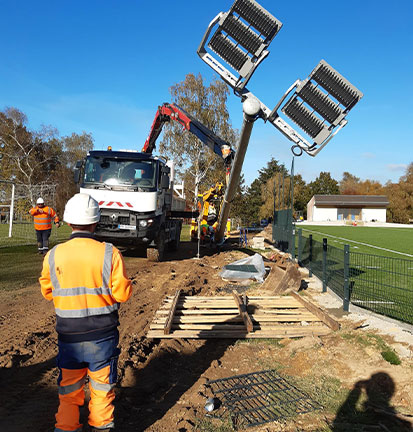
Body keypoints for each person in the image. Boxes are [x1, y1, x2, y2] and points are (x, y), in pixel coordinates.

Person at [39, 193, 132, 432]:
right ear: (96, 222)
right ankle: (101, 427)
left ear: (69, 222)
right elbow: (122, 294)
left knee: (69, 391)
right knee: (101, 389)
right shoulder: (110, 253)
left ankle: (67, 428)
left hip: (69, 337)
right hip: (102, 337)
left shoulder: (53, 255)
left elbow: (48, 292)